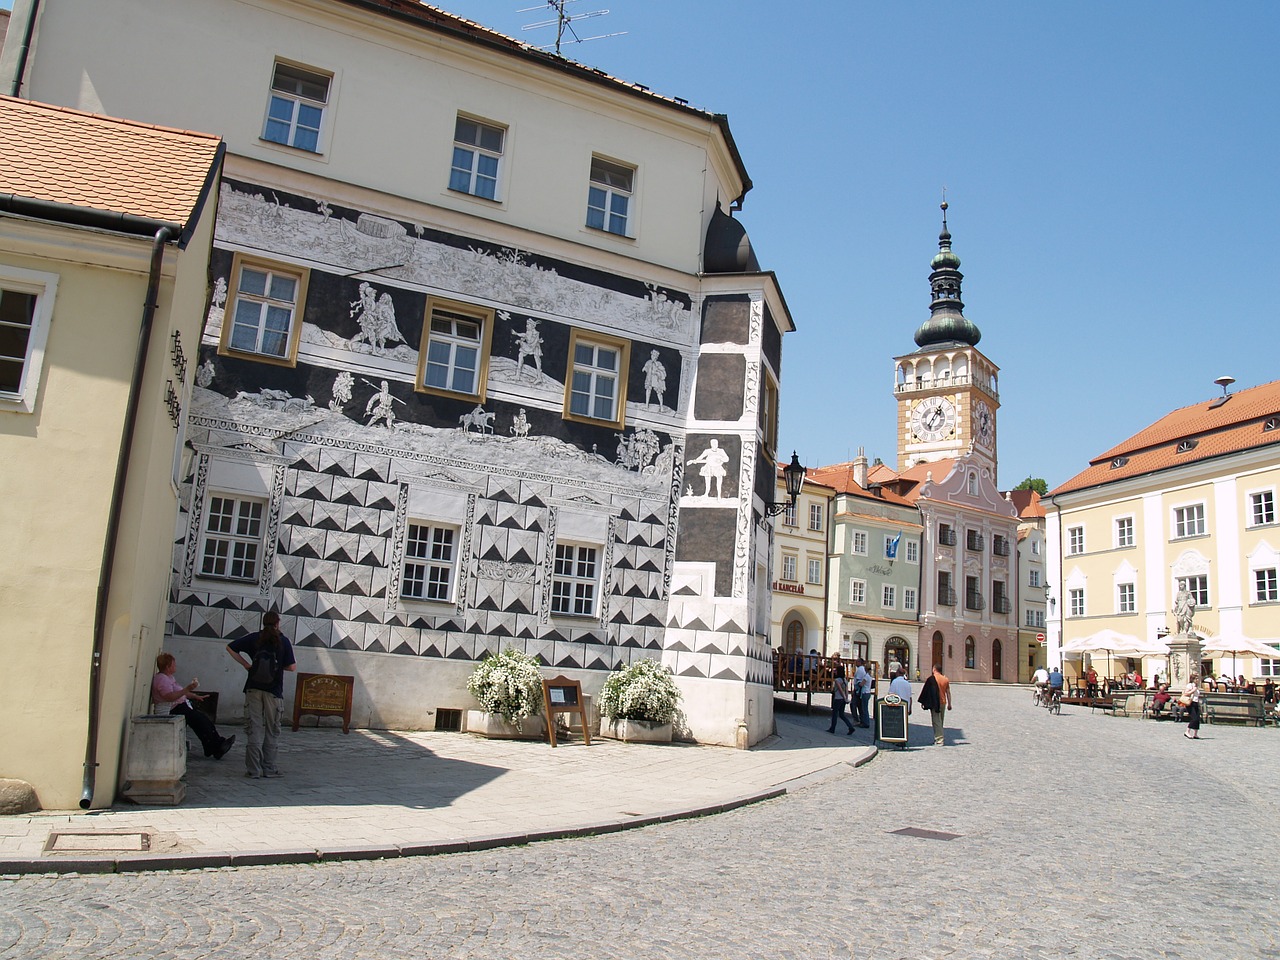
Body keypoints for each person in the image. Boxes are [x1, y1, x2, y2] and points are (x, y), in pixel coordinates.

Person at [226, 611, 297, 779]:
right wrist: (279, 667)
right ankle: (269, 768)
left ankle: (253, 770)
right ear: (278, 623)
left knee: (254, 728)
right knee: (272, 730)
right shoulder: (283, 641)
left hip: (253, 688)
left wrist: (247, 665)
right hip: (274, 691)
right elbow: (292, 667)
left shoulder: (254, 638)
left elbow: (230, 647)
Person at [151, 653, 235, 759]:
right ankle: (215, 746)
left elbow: (179, 692)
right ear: (168, 666)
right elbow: (170, 697)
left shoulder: (169, 677)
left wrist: (194, 696)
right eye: (174, 665)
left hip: (180, 706)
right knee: (200, 721)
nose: (175, 666)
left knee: (203, 721)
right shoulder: (161, 679)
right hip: (172, 709)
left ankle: (216, 745)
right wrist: (188, 688)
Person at [917, 664, 952, 745]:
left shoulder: (931, 679)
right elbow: (948, 693)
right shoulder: (945, 679)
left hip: (935, 702)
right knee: (940, 721)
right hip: (943, 702)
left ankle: (939, 739)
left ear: (934, 669)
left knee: (936, 721)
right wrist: (949, 704)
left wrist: (923, 702)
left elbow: (926, 691)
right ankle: (939, 736)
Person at [826, 663, 856, 736]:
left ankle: (832, 728)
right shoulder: (845, 680)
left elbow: (839, 690)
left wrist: (843, 696)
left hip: (838, 698)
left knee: (835, 714)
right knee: (842, 714)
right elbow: (846, 690)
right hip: (843, 699)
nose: (835, 671)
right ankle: (850, 727)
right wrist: (846, 698)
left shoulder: (837, 680)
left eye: (836, 670)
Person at [853, 658, 872, 728]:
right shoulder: (869, 676)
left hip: (865, 693)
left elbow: (861, 684)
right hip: (867, 692)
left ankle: (865, 722)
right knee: (864, 707)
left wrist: (858, 685)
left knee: (864, 708)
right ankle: (864, 721)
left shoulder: (866, 676)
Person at [1182, 672, 1202, 740]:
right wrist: (1192, 691)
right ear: (1193, 679)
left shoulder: (1196, 686)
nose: (1197, 680)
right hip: (1191, 703)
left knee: (1197, 718)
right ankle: (1187, 731)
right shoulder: (1190, 685)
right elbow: (1185, 693)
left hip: (1196, 703)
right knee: (1194, 718)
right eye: (1196, 678)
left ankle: (1195, 734)